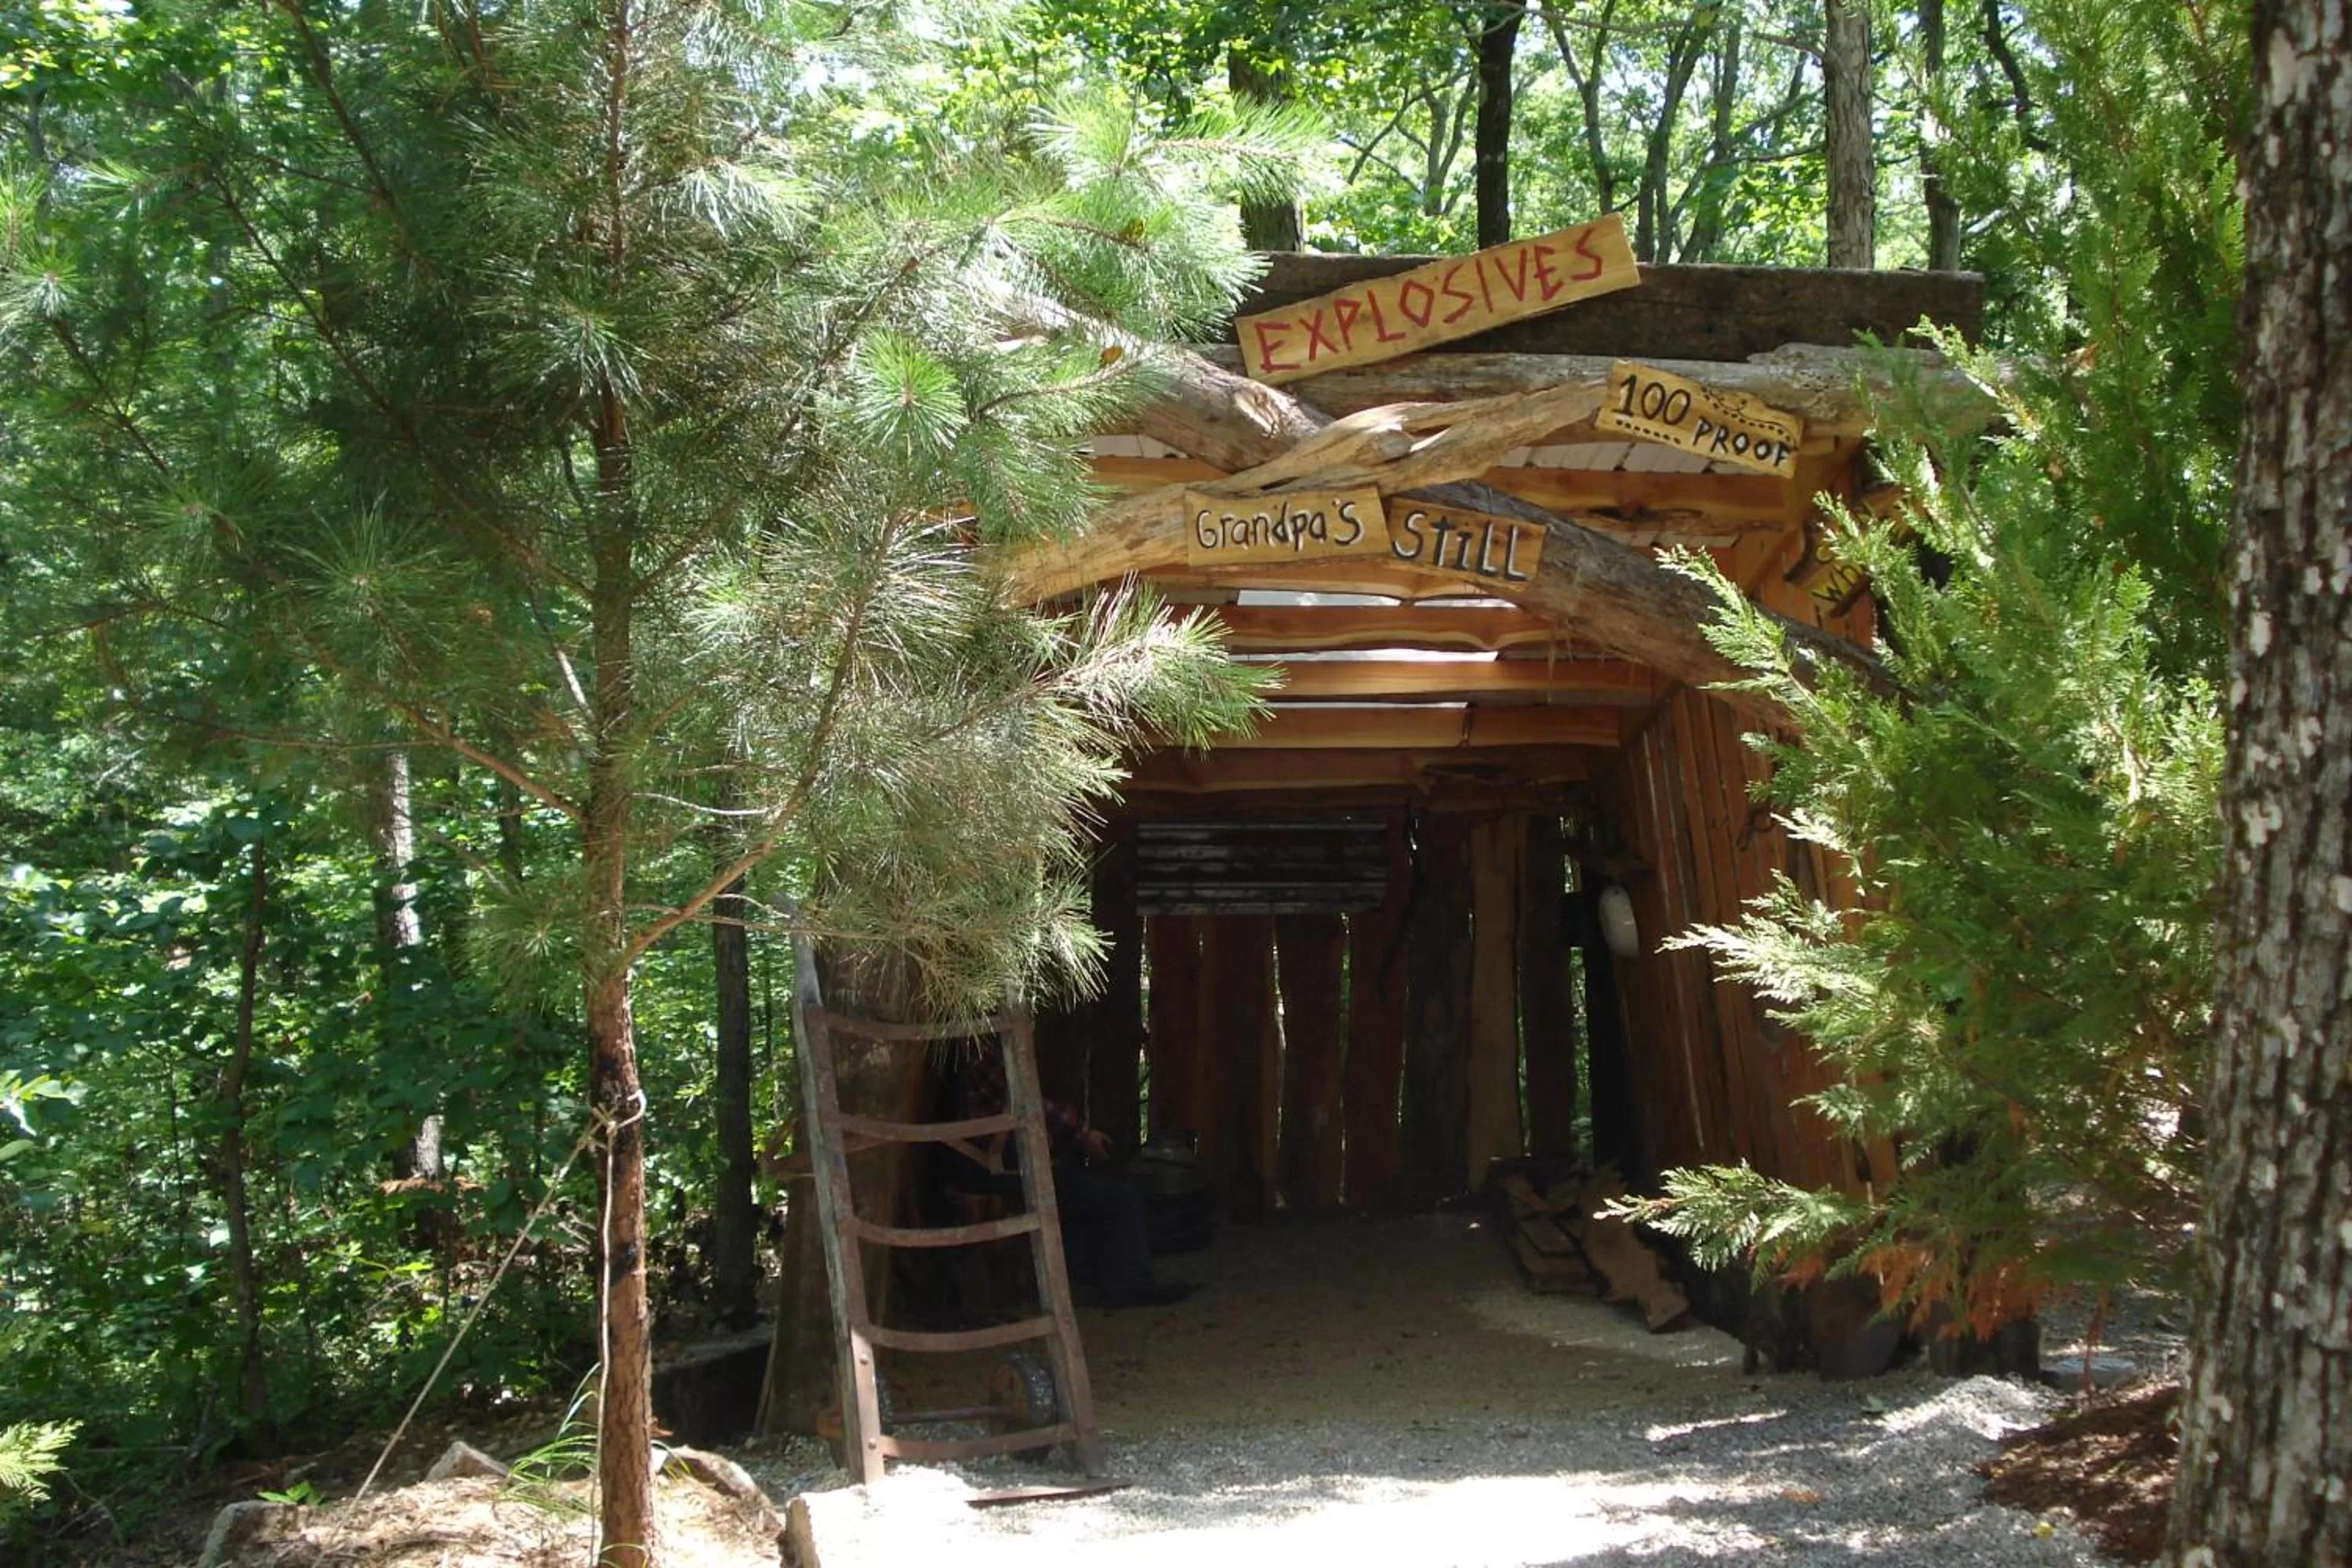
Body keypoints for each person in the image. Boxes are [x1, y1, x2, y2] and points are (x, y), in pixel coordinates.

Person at [952, 1047, 1194, 1308]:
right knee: (1118, 1197)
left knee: (1079, 1185)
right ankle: (1129, 1284)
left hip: (984, 1164)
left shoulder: (958, 1050)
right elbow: (1028, 1102)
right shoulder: (977, 1050)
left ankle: (1102, 1275)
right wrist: (1082, 1133)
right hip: (989, 1170)